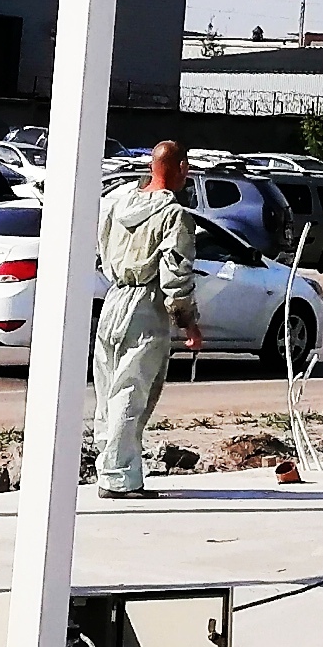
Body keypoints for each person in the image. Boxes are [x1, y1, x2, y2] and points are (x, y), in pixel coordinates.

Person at [90, 142, 204, 500]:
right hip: (145, 306)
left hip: (114, 299)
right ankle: (120, 478)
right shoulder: (174, 216)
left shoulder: (119, 204)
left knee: (108, 391)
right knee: (132, 392)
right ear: (181, 168)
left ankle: (109, 467)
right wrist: (188, 322)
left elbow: (101, 248)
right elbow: (175, 276)